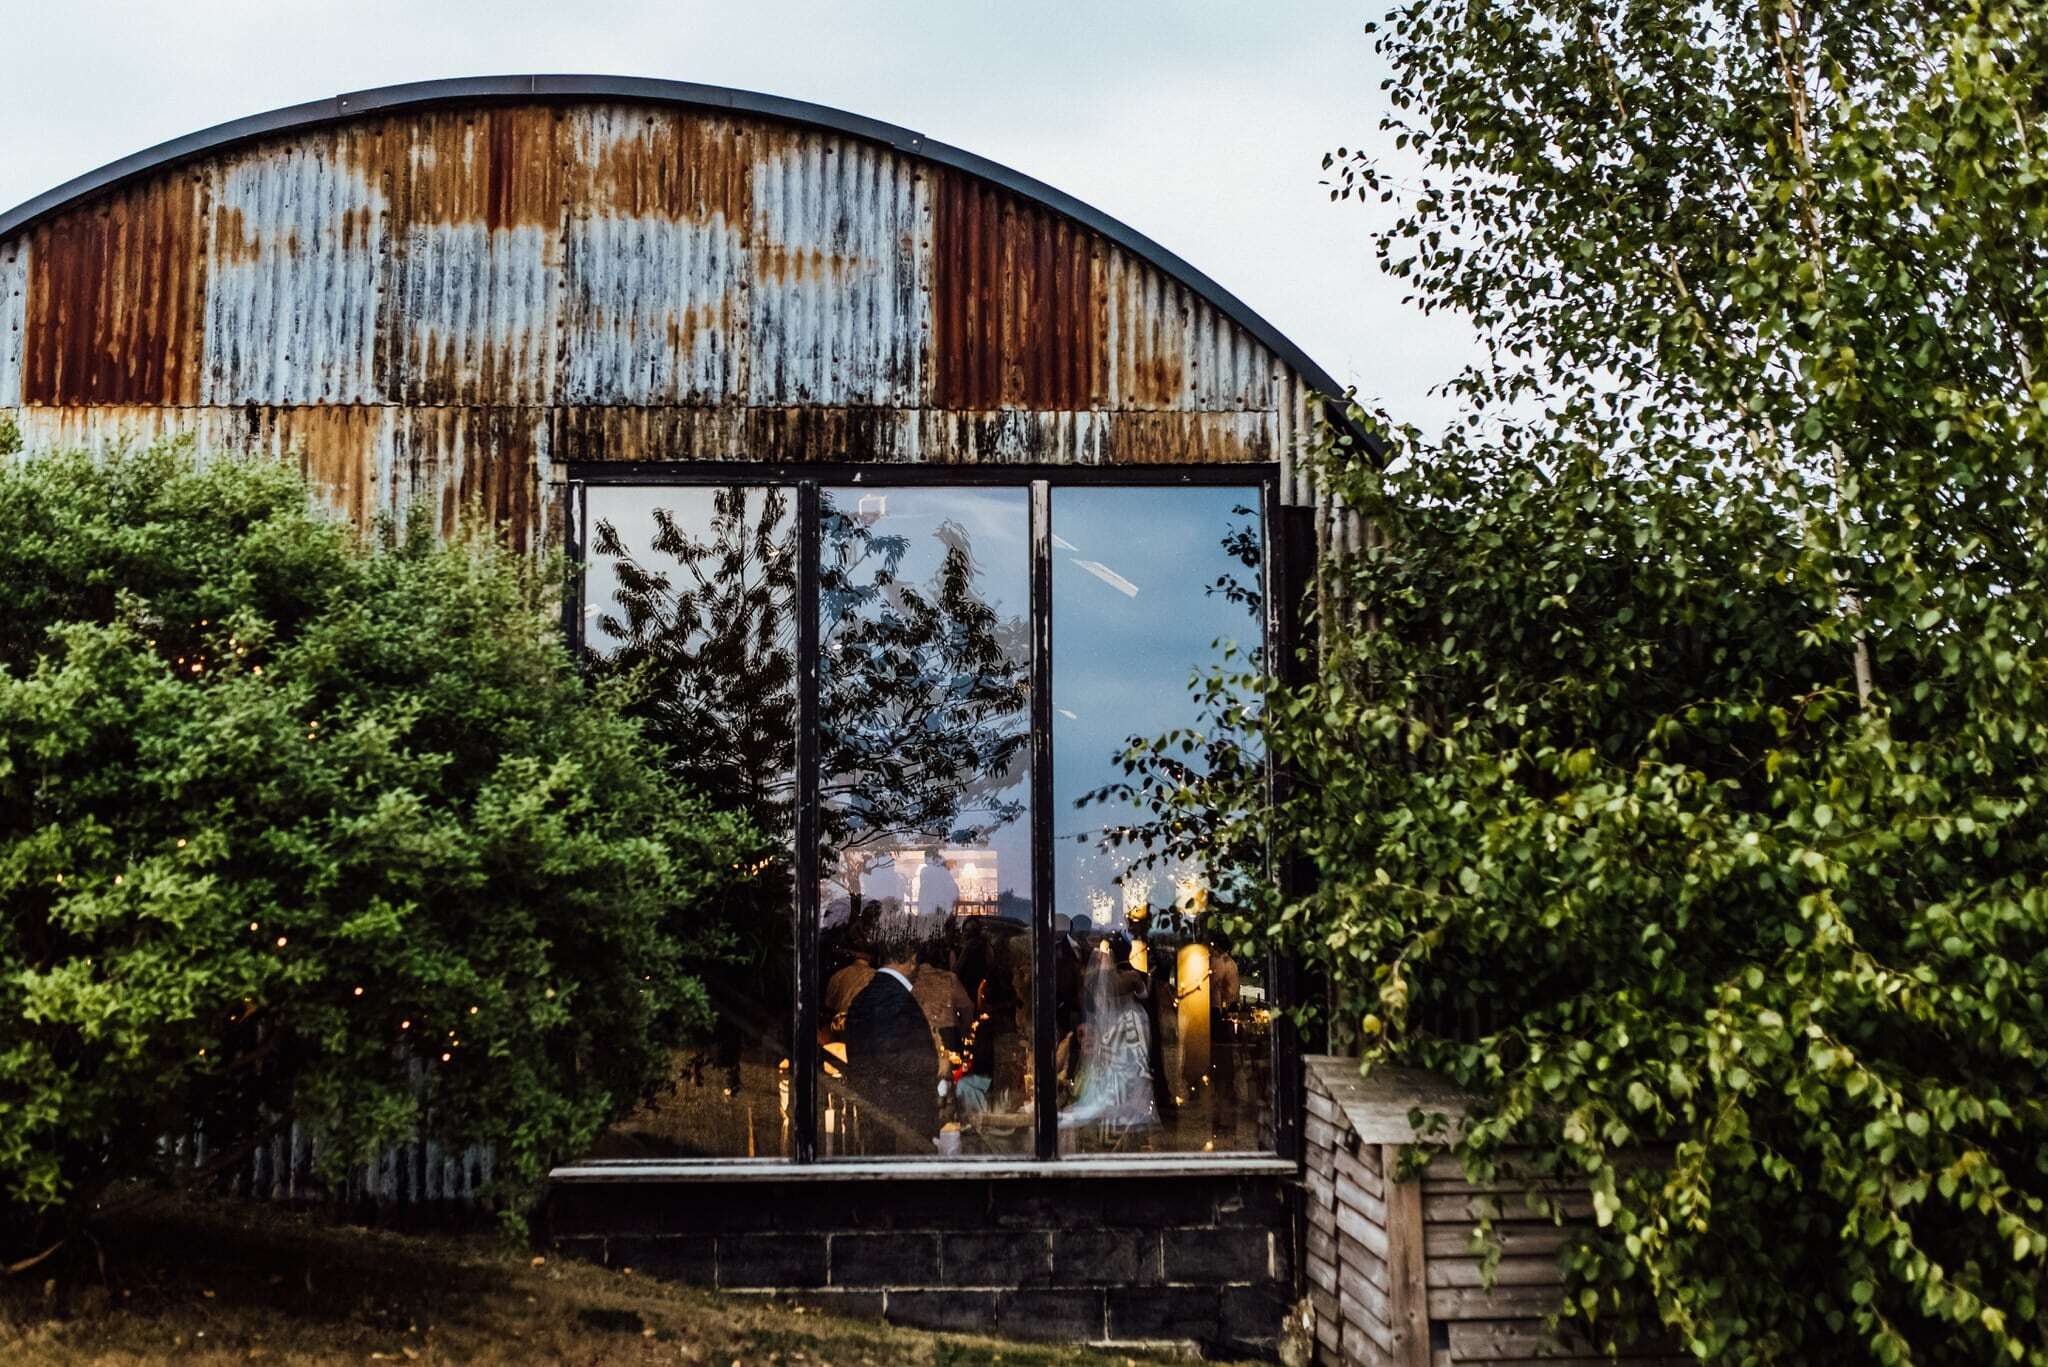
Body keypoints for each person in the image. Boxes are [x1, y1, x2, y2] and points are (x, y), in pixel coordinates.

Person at [841, 908, 944, 1155]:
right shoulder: (893, 998)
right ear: (911, 958)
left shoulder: (867, 996)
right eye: (917, 960)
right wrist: (937, 1065)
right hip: (900, 1121)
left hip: (879, 1116)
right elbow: (891, 1056)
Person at [1059, 931, 1158, 1139]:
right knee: (1132, 1065)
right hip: (1132, 1020)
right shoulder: (1132, 976)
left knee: (1116, 1064)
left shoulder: (1101, 977)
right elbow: (1144, 995)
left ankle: (1116, 1107)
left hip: (1113, 1022)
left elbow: (1095, 1001)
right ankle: (1130, 1108)